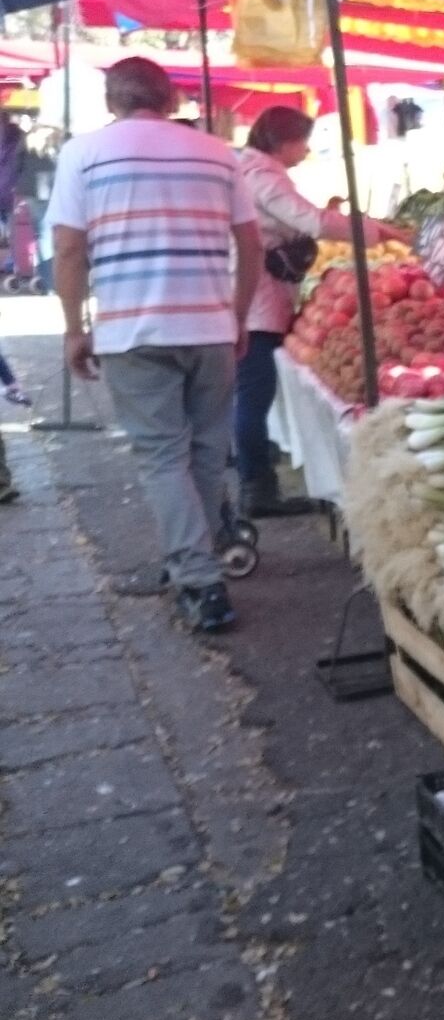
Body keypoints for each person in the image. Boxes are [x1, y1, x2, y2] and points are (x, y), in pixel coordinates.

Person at [50, 57, 260, 632]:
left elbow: (69, 249)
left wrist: (74, 328)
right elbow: (251, 242)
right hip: (209, 327)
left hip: (132, 331)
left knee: (163, 454)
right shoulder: (219, 153)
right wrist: (237, 315)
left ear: (112, 102)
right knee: (207, 448)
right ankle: (196, 554)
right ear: (171, 100)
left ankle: (199, 580)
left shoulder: (83, 154)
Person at [232, 106, 406, 518]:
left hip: (257, 289)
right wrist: (372, 232)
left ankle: (255, 472)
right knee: (253, 391)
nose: (306, 150)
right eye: (303, 141)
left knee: (251, 390)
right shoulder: (261, 174)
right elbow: (305, 219)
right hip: (255, 295)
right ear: (283, 139)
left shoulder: (254, 168)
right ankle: (257, 486)